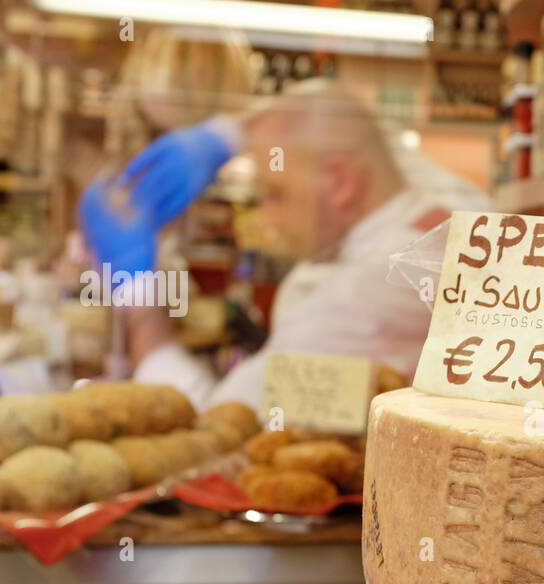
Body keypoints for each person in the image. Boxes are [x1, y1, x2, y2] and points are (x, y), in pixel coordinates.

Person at [78, 79, 491, 409]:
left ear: (341, 182)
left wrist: (138, 298)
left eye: (275, 193)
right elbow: (349, 123)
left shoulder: (369, 293)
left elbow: (217, 426)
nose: (268, 222)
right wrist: (231, 134)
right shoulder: (447, 198)